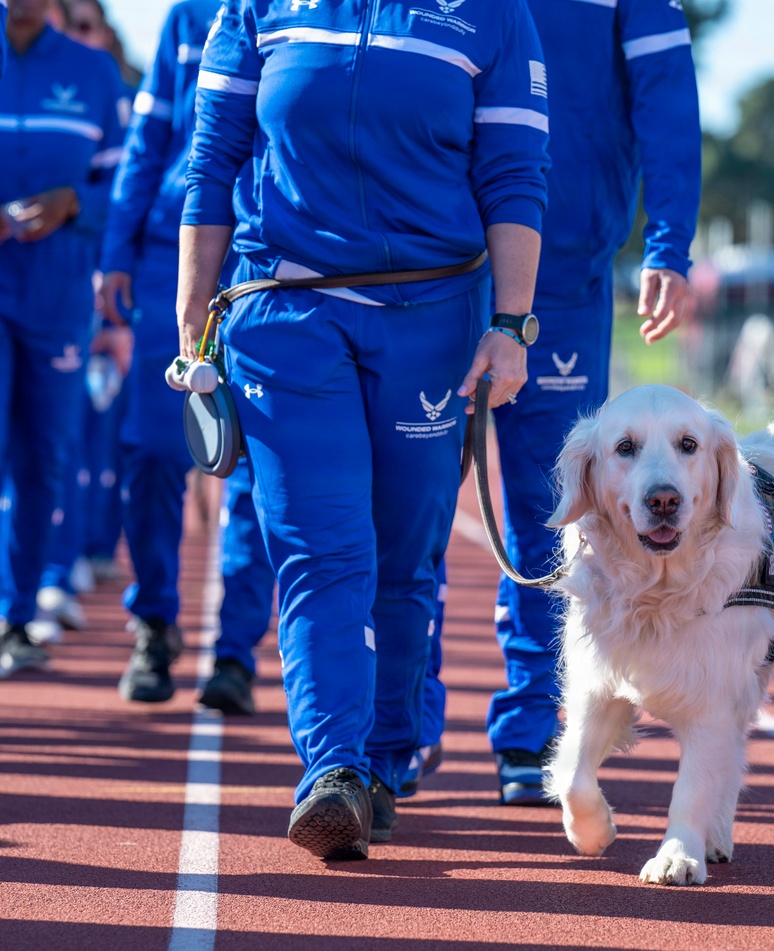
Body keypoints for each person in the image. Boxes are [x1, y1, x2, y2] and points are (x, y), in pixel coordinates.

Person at [179, 0, 549, 861]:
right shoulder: (256, 8)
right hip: (282, 310)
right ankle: (333, 769)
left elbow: (516, 171)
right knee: (322, 545)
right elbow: (212, 156)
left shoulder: (494, 16)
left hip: (431, 313)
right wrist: (191, 314)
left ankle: (385, 758)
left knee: (403, 551)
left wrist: (514, 323)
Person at [417, 0, 702, 806]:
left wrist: (669, 242)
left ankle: (535, 729)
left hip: (566, 273)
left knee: (559, 516)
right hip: (430, 269)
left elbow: (668, 96)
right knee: (409, 506)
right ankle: (395, 724)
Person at [95, 0, 275, 713]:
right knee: (148, 451)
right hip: (170, 255)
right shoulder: (185, 19)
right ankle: (156, 621)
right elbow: (149, 139)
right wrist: (116, 252)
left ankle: (234, 652)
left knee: (257, 467)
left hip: (265, 260)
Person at [0, 0, 126, 675]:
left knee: (44, 457)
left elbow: (127, 189)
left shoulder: (93, 73)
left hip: (57, 298)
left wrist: (73, 203)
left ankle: (18, 615)